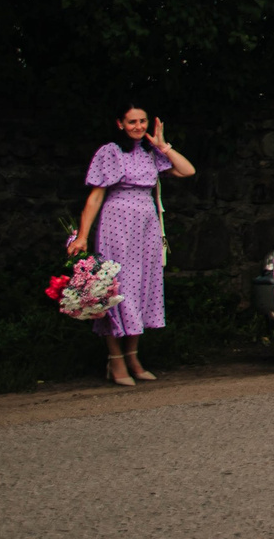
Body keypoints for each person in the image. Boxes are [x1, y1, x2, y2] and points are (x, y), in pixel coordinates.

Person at [68, 105, 195, 387]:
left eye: (142, 121)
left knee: (140, 287)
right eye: (132, 122)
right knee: (113, 289)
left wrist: (164, 145)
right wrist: (82, 236)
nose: (138, 126)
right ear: (120, 124)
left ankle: (134, 357)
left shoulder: (152, 153)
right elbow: (95, 197)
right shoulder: (111, 152)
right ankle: (115, 360)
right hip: (117, 225)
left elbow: (187, 170)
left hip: (146, 227)